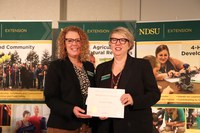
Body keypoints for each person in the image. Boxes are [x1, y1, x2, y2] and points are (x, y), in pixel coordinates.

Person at [94, 27, 161, 133]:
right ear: (110, 44)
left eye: (123, 40)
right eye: (114, 40)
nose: (118, 43)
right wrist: (98, 112)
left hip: (134, 126)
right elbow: (96, 97)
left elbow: (154, 95)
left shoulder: (142, 65)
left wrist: (134, 100)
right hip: (106, 127)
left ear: (129, 44)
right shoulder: (101, 68)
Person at [44, 26, 95, 133]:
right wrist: (71, 109)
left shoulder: (89, 66)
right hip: (62, 126)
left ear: (83, 43)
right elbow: (50, 98)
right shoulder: (56, 66)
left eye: (77, 40)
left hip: (87, 126)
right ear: (64, 44)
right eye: (70, 40)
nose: (74, 44)